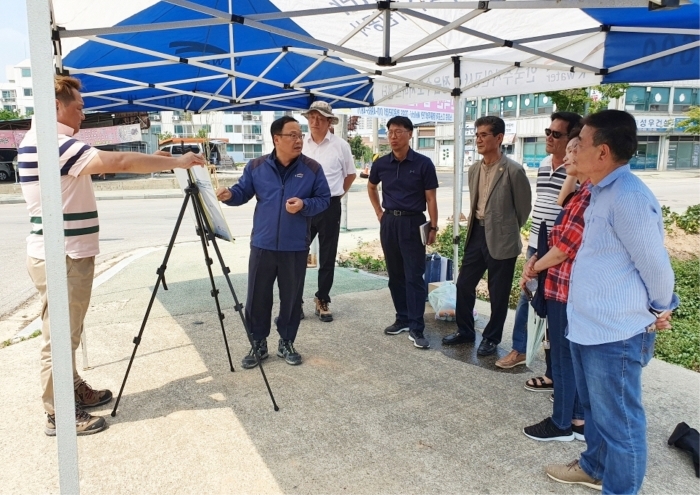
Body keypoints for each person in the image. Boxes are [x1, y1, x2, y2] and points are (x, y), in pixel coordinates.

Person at [19, 75, 204, 437]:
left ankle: (70, 389)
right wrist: (175, 163)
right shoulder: (53, 143)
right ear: (56, 105)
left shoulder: (52, 142)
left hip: (64, 254)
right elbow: (117, 159)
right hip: (62, 257)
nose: (83, 115)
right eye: (79, 107)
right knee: (59, 337)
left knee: (66, 334)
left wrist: (156, 158)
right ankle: (59, 413)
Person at [545, 110, 678, 494]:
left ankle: (620, 488)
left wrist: (659, 308)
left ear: (602, 152)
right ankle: (594, 466)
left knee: (621, 425)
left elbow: (656, 266)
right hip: (588, 326)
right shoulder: (600, 191)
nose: (573, 149)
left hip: (615, 334)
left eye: (580, 143)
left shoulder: (630, 197)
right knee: (597, 416)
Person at [216, 116, 330, 369]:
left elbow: (324, 199)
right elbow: (242, 193)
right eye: (292, 135)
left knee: (291, 298)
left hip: (295, 246)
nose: (298, 140)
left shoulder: (312, 168)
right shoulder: (256, 166)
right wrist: (228, 195)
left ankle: (287, 342)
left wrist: (304, 205)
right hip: (263, 244)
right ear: (276, 139)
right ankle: (258, 342)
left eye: (300, 135)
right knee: (257, 296)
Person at [496, 111, 582, 372]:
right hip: (537, 242)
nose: (549, 137)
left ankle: (555, 368)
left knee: (557, 306)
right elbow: (540, 202)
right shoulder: (544, 163)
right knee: (526, 296)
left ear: (572, 139)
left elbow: (564, 207)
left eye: (557, 134)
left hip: (560, 248)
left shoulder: (578, 172)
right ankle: (519, 349)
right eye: (548, 131)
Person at [443, 116, 531, 356]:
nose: (478, 140)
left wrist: (505, 228)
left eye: (484, 135)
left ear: (499, 138)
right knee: (464, 284)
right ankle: (465, 331)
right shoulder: (474, 169)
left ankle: (491, 338)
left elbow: (523, 209)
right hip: (476, 234)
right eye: (477, 135)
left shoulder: (513, 170)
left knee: (498, 293)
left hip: (502, 238)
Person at [520, 130, 587, 443]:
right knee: (562, 354)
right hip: (559, 285)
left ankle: (563, 422)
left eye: (575, 150)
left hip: (567, 288)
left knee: (563, 357)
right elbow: (561, 202)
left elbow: (564, 248)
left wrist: (533, 266)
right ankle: (573, 417)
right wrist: (574, 175)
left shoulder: (592, 197)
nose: (568, 157)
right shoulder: (582, 191)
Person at [367, 116, 438, 350]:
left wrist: (434, 227)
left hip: (413, 222)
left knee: (414, 276)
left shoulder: (423, 163)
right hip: (389, 222)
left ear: (409, 134)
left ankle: (417, 327)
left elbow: (430, 198)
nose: (393, 136)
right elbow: (371, 186)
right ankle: (402, 317)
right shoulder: (382, 163)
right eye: (390, 132)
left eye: (398, 132)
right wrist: (379, 211)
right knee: (395, 274)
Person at [300, 101, 356, 322]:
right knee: (296, 253)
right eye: (311, 117)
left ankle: (322, 298)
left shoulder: (341, 145)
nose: (315, 122)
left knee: (328, 255)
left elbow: (350, 174)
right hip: (304, 206)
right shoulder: (300, 143)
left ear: (329, 122)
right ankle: (295, 300)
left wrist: (337, 196)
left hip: (330, 205)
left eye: (320, 118)